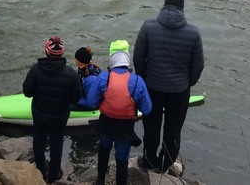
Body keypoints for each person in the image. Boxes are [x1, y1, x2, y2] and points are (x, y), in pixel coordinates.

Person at [133, 0, 205, 175]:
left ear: (164, 6)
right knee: (173, 129)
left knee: (151, 127)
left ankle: (149, 160)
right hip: (179, 91)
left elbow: (138, 57)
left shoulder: (148, 27)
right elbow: (198, 65)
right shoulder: (193, 32)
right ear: (182, 8)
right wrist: (187, 83)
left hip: (152, 87)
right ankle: (165, 164)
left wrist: (144, 78)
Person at [85, 41, 153, 185]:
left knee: (104, 151)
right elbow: (147, 109)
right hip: (125, 128)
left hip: (106, 125)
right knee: (122, 159)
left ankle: (100, 181)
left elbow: (91, 102)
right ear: (127, 57)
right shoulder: (137, 81)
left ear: (112, 57)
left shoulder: (104, 77)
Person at [22, 35, 83, 184]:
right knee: (57, 141)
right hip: (60, 115)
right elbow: (76, 98)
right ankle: (54, 172)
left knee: (39, 138)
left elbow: (27, 92)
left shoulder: (35, 70)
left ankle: (41, 169)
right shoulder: (71, 74)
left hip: (40, 112)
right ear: (62, 53)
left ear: (46, 51)